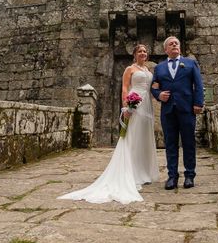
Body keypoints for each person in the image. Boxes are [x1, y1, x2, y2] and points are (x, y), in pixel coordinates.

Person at [58, 44, 159, 204]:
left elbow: (152, 88)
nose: (143, 53)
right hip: (135, 105)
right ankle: (130, 173)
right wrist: (126, 106)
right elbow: (125, 88)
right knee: (132, 138)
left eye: (145, 51)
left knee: (144, 139)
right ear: (134, 54)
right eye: (140, 51)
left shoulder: (148, 71)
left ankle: (143, 173)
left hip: (147, 106)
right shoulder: (129, 69)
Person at [151, 36, 204, 190]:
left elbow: (198, 84)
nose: (174, 44)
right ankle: (172, 176)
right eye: (170, 44)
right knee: (170, 143)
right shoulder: (159, 68)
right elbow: (154, 87)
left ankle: (189, 175)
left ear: (179, 48)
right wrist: (158, 95)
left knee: (188, 142)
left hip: (187, 109)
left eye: (176, 43)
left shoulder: (190, 63)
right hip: (168, 110)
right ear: (165, 49)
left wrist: (198, 103)